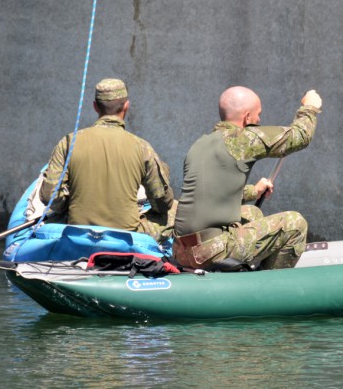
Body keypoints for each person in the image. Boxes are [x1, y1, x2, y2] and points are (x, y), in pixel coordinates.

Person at [173, 86, 322, 271]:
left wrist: (254, 191)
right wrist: (309, 108)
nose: (259, 120)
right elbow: (300, 136)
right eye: (258, 115)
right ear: (247, 117)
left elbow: (213, 192)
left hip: (181, 250)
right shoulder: (241, 139)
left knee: (253, 213)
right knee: (295, 224)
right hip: (208, 252)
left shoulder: (200, 144)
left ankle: (241, 272)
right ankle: (268, 285)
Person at [40, 78, 175, 242]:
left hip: (78, 234)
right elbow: (162, 202)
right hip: (128, 236)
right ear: (126, 106)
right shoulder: (142, 148)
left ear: (95, 106)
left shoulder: (68, 142)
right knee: (174, 209)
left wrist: (69, 205)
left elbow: (50, 196)